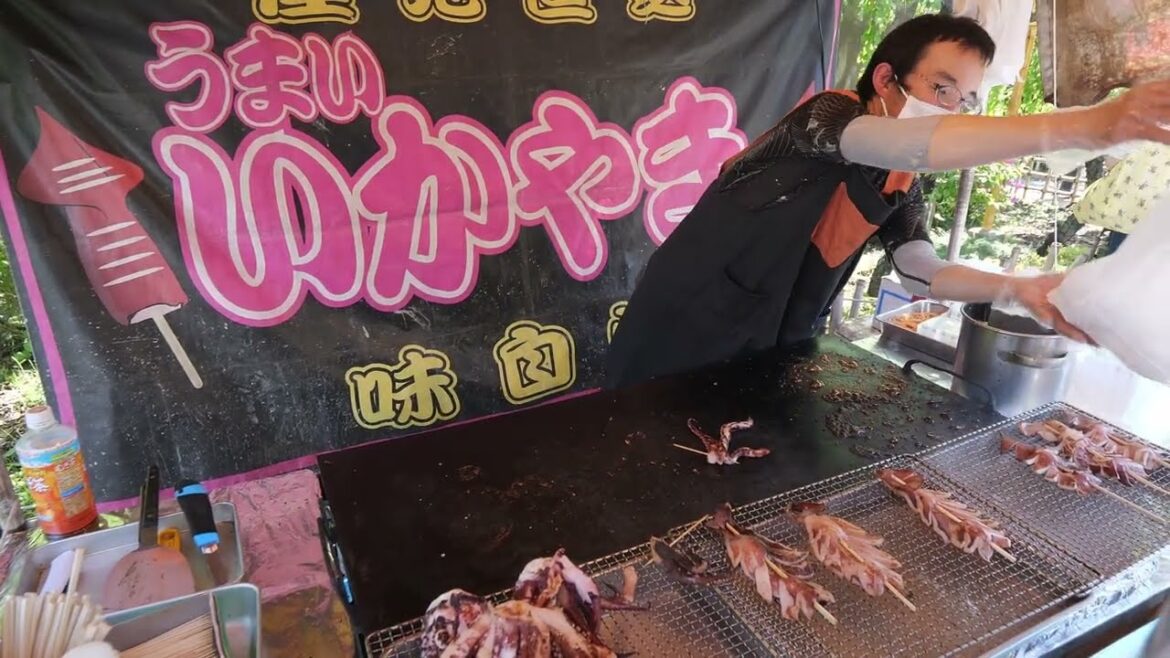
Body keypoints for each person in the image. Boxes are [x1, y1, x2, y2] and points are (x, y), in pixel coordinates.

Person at [606, 13, 1170, 388]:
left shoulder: (901, 178)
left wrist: (1014, 289)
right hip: (685, 322)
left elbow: (919, 266)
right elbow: (908, 143)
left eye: (967, 99)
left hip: (778, 335)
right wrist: (1088, 125)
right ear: (885, 78)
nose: (952, 108)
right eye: (941, 88)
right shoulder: (826, 117)